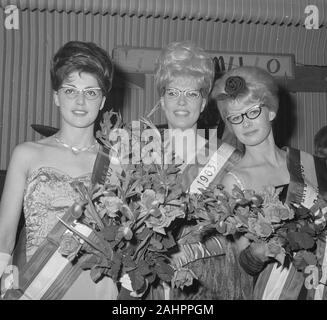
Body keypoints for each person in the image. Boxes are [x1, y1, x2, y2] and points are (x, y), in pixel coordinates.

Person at [0, 41, 118, 300]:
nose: (79, 100)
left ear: (102, 101)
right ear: (56, 96)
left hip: (96, 286)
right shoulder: (26, 154)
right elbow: (5, 236)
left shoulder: (116, 162)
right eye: (70, 90)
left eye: (90, 92)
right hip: (35, 285)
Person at [146, 41, 253, 300]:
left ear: (203, 102)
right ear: (162, 99)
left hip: (211, 287)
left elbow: (243, 245)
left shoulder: (231, 160)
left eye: (192, 94)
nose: (181, 102)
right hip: (154, 287)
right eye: (173, 92)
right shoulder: (139, 155)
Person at [211, 66, 327, 300]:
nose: (245, 123)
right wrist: (261, 251)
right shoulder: (233, 182)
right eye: (235, 117)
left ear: (271, 111)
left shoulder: (307, 162)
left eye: (253, 111)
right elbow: (245, 263)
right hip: (279, 290)